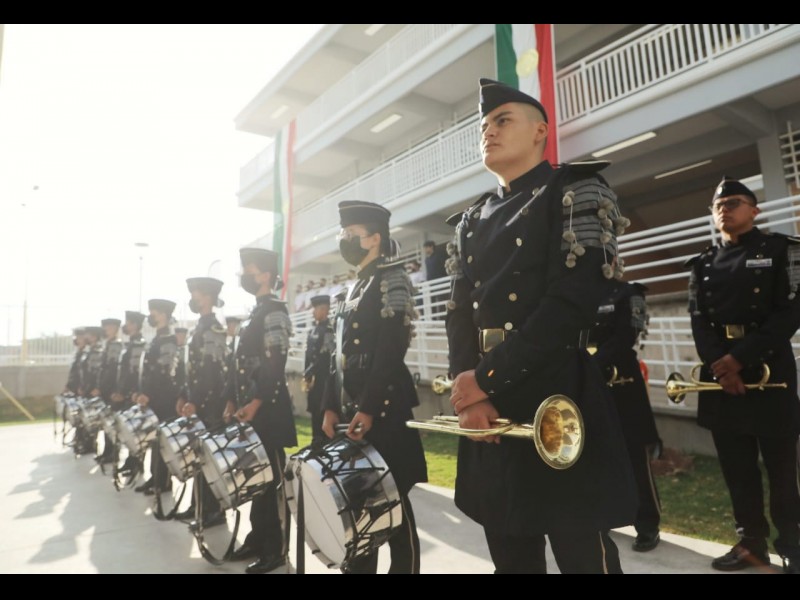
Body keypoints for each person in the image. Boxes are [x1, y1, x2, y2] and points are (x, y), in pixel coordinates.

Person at [444, 78, 637, 574]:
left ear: (540, 131)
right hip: (489, 405)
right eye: (484, 126)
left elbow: (573, 301)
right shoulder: (471, 218)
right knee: (510, 553)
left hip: (557, 391)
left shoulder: (575, 190)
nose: (488, 131)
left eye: (502, 120)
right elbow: (458, 313)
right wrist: (469, 392)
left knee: (581, 552)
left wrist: (482, 380)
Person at [686, 176, 800, 573]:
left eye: (734, 202)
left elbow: (791, 311)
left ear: (754, 209)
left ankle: (792, 544)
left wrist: (739, 359)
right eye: (718, 205)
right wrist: (722, 367)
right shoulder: (702, 263)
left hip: (769, 371)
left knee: (782, 468)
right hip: (721, 378)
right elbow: (699, 321)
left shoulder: (782, 251)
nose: (725, 209)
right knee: (737, 470)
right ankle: (751, 545)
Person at [321, 200, 428, 574]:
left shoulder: (391, 279)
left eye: (352, 234)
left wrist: (367, 407)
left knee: (394, 505)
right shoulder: (352, 288)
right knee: (360, 505)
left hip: (382, 410)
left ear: (375, 238)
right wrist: (329, 405)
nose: (345, 240)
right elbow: (336, 357)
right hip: (350, 411)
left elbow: (390, 351)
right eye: (343, 233)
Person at [225, 248, 297, 574]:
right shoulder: (256, 312)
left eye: (249, 270)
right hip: (251, 410)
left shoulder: (275, 312)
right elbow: (240, 364)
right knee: (257, 480)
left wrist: (255, 402)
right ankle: (257, 539)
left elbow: (275, 364)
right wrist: (231, 399)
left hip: (267, 411)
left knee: (272, 485)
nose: (245, 276)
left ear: (266, 275)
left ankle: (276, 550)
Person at [590, 282, 662, 552]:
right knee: (596, 454)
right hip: (590, 383)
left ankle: (648, 524)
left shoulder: (629, 294)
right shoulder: (580, 291)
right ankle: (605, 516)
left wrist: (589, 364)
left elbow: (626, 336)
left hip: (622, 382)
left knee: (635, 457)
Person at [174, 277, 228, 529]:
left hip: (211, 405)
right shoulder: (199, 327)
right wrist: (184, 395)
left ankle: (214, 511)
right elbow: (191, 369)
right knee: (198, 458)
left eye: (196, 294)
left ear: (208, 297)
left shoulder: (214, 329)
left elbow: (211, 371)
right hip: (198, 402)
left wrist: (195, 401)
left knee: (209, 460)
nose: (192, 298)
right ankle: (198, 505)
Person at [134, 299, 179, 496]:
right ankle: (155, 478)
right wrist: (141, 391)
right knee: (154, 440)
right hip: (153, 398)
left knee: (162, 442)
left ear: (164, 315)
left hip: (164, 398)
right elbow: (147, 371)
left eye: (154, 312)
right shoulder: (157, 339)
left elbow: (163, 371)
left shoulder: (169, 339)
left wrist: (148, 393)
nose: (151, 315)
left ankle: (163, 481)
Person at [303, 294, 334, 443]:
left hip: (324, 378)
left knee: (323, 409)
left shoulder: (329, 330)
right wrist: (306, 373)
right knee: (314, 409)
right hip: (314, 379)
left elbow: (326, 355)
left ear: (324, 309)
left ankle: (325, 441)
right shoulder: (312, 330)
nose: (313, 312)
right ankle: (316, 440)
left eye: (316, 309)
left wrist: (312, 369)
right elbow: (308, 355)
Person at [96, 318, 123, 463]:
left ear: (115, 328)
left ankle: (113, 453)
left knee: (112, 424)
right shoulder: (108, 345)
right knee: (106, 423)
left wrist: (108, 389)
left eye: (108, 327)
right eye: (105, 327)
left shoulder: (116, 345)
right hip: (106, 390)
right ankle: (107, 451)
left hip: (111, 389)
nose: (106, 330)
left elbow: (113, 370)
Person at [113, 311, 147, 411]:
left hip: (131, 395)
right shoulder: (130, 344)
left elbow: (134, 372)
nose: (124, 326)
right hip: (124, 393)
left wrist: (127, 393)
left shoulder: (138, 344)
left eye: (127, 323)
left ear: (134, 325)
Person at [64, 327, 87, 394]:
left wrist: (82, 387)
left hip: (82, 387)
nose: (79, 341)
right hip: (74, 386)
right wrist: (68, 386)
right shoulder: (76, 353)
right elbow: (73, 372)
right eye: (77, 338)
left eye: (81, 338)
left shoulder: (87, 353)